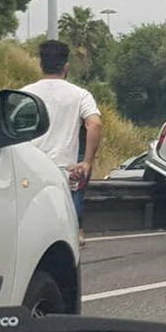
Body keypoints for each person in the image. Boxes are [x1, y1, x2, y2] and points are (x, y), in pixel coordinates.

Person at [23, 40, 103, 245]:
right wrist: (87, 162)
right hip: (64, 171)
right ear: (66, 66)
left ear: (41, 65)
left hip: (30, 169)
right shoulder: (80, 95)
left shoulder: (25, 94)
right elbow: (94, 124)